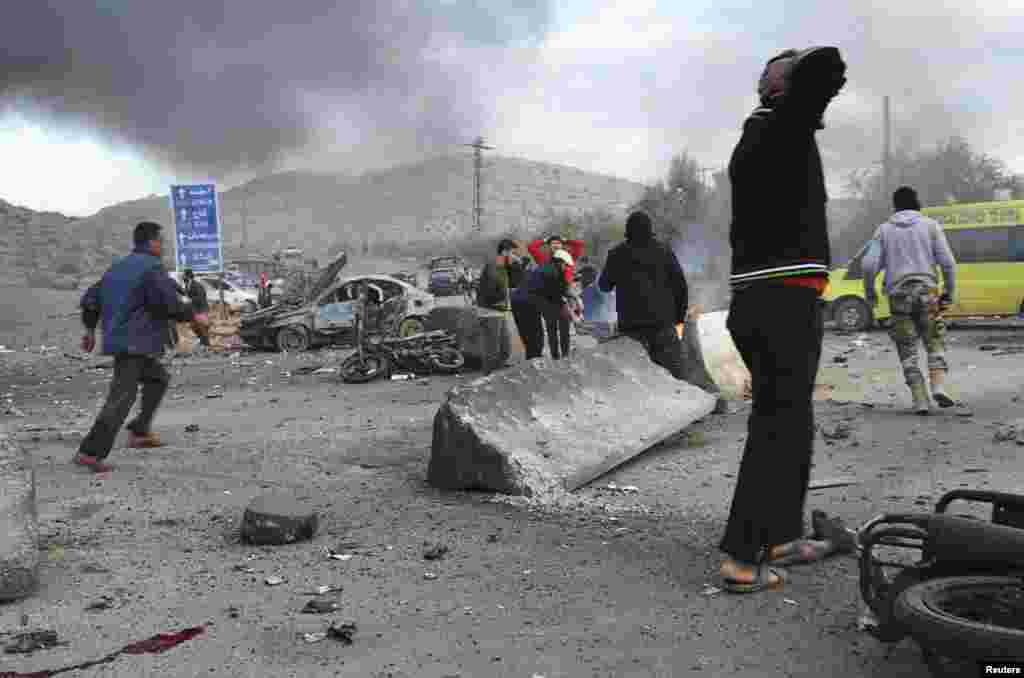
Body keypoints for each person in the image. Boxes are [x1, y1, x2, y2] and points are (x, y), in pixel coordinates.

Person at [718, 47, 847, 593]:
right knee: (778, 426)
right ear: (781, 89)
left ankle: (778, 538)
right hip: (781, 302)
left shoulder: (765, 136)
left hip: (770, 301)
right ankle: (742, 559)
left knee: (790, 423)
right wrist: (796, 73)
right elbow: (826, 66)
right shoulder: (779, 125)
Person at [74, 221, 194, 473]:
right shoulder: (152, 267)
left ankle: (139, 431)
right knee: (121, 398)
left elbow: (91, 300)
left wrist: (89, 330)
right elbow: (168, 304)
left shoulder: (116, 268)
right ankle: (90, 452)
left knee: (158, 379)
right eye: (162, 241)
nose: (164, 246)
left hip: (127, 342)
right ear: (152, 242)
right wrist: (192, 314)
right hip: (135, 343)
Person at [861, 186, 960, 414]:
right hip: (928, 293)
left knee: (907, 347)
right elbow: (948, 263)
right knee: (934, 340)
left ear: (894, 206)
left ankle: (920, 399)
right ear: (917, 203)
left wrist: (870, 292)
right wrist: (949, 291)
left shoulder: (883, 230)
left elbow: (868, 264)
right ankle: (938, 387)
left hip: (898, 295)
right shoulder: (931, 226)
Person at [598, 211, 690, 379]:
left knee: (638, 381)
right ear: (650, 229)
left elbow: (604, 286)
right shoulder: (664, 251)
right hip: (663, 326)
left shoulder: (617, 254)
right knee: (676, 380)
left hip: (631, 329)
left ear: (628, 231)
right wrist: (678, 318)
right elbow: (681, 287)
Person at [510, 248, 571, 360]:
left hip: (519, 301)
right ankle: (537, 359)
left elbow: (556, 291)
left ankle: (537, 358)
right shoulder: (551, 272)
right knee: (535, 335)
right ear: (560, 262)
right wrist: (567, 305)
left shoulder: (546, 268)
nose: (566, 267)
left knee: (533, 336)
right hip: (525, 303)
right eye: (565, 265)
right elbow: (555, 293)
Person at [477, 239, 519, 312]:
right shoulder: (495, 266)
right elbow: (496, 289)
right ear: (504, 252)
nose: (515, 257)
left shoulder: (501, 266)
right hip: (490, 307)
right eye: (513, 253)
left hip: (493, 305)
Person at [181, 269, 211, 347]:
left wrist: (190, 300)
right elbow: (186, 294)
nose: (182, 276)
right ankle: (202, 341)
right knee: (193, 326)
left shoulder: (197, 285)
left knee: (202, 326)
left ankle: (206, 344)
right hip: (193, 309)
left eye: (183, 275)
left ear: (188, 276)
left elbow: (201, 297)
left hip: (201, 308)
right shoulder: (187, 284)